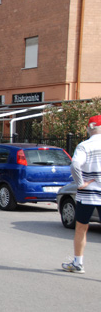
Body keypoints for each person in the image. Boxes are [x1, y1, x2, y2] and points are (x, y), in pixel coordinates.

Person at [62, 115, 101, 274]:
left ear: (89, 128)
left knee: (81, 228)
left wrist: (80, 183)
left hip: (88, 194)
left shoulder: (85, 146)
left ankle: (78, 263)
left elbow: (75, 164)